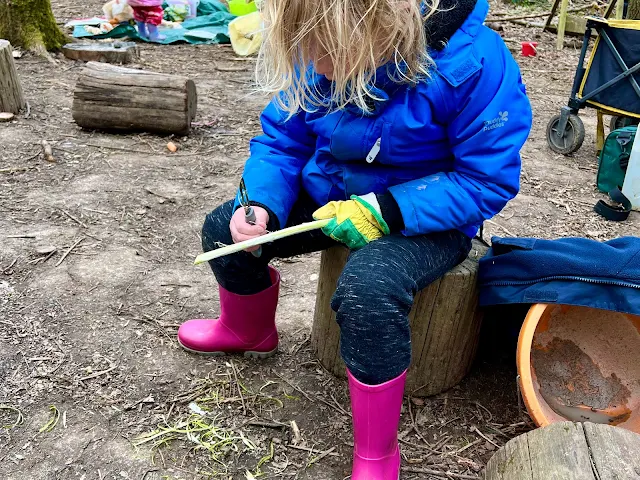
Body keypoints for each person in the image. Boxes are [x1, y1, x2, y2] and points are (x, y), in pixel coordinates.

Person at [178, 0, 532, 477]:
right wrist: (262, 201)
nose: (314, 62)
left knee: (368, 291)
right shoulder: (316, 44)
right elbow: (282, 141)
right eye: (304, 48)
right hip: (333, 193)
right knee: (226, 232)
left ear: (379, 26)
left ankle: (376, 452)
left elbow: (485, 180)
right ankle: (250, 330)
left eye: (325, 51)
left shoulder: (473, 65)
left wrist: (390, 209)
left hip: (430, 218)